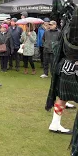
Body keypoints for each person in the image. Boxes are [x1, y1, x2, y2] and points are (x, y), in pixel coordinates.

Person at [46, 7, 78, 136]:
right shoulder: (73, 34)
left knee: (63, 97)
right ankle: (54, 124)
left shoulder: (65, 30)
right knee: (63, 97)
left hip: (65, 65)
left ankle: (55, 124)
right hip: (73, 67)